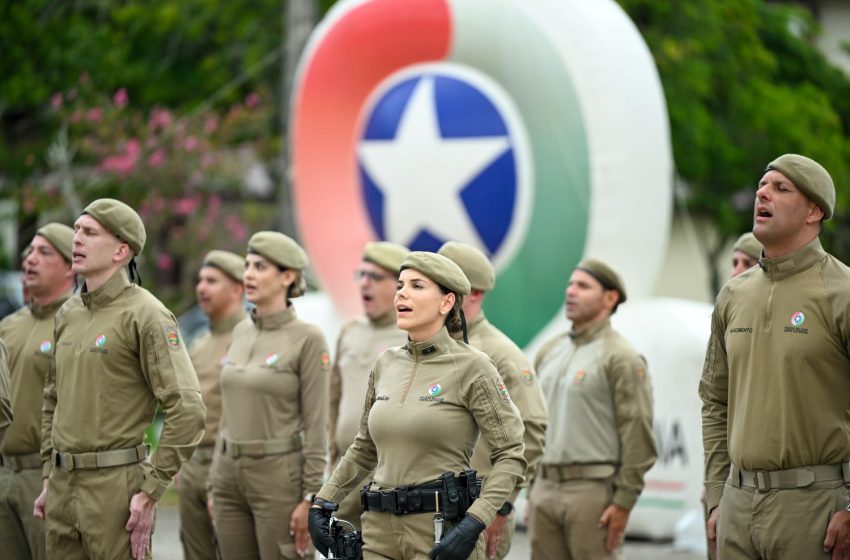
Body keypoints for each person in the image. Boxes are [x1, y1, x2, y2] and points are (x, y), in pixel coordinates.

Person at [309, 251, 527, 560]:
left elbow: (511, 454)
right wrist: (322, 502)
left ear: (446, 302)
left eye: (417, 286)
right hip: (378, 533)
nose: (402, 293)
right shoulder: (385, 364)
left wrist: (476, 520)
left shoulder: (473, 367)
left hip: (440, 534)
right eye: (400, 285)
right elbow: (364, 448)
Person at [34, 199, 206, 560]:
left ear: (121, 251)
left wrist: (151, 490)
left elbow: (188, 408)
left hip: (116, 489)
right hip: (62, 487)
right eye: (76, 230)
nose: (76, 239)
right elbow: (52, 397)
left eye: (90, 232)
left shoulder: (147, 314)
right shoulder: (69, 313)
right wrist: (50, 474)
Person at [700, 154, 850, 559]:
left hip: (815, 509)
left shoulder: (842, 292)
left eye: (781, 188)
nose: (762, 194)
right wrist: (716, 495)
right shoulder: (733, 295)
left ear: (814, 211)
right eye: (762, 187)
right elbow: (714, 400)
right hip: (736, 505)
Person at [209, 231, 329, 559]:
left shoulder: (308, 338)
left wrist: (311, 496)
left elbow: (317, 423)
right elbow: (228, 412)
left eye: (260, 267)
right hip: (227, 474)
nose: (248, 274)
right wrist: (214, 482)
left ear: (287, 277)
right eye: (247, 265)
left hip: (278, 477)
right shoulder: (240, 331)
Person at [530, 258, 656, 560]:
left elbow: (637, 433)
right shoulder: (550, 350)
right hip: (544, 487)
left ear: (610, 298)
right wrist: (533, 489)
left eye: (583, 286)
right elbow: (535, 423)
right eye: (570, 284)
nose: (571, 292)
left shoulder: (621, 357)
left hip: (592, 492)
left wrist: (623, 502)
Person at [437, 241, 548, 560]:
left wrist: (500, 507)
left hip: (477, 511)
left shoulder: (500, 355)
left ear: (473, 293)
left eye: (443, 284)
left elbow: (531, 431)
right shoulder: (434, 346)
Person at [0, 223, 74, 560]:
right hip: (5, 471)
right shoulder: (8, 326)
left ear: (70, 266)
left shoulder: (77, 323)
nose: (30, 259)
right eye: (29, 251)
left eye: (44, 252)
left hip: (45, 478)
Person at [329, 241, 409, 528]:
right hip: (346, 471)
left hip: (388, 476)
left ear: (399, 286)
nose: (365, 283)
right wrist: (331, 452)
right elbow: (334, 397)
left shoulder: (410, 336)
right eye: (361, 275)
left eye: (375, 277)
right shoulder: (350, 331)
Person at [177, 250, 246, 560]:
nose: (201, 288)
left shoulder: (249, 338)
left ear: (237, 289)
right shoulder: (199, 343)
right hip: (192, 466)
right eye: (200, 280)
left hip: (229, 467)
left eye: (212, 281)